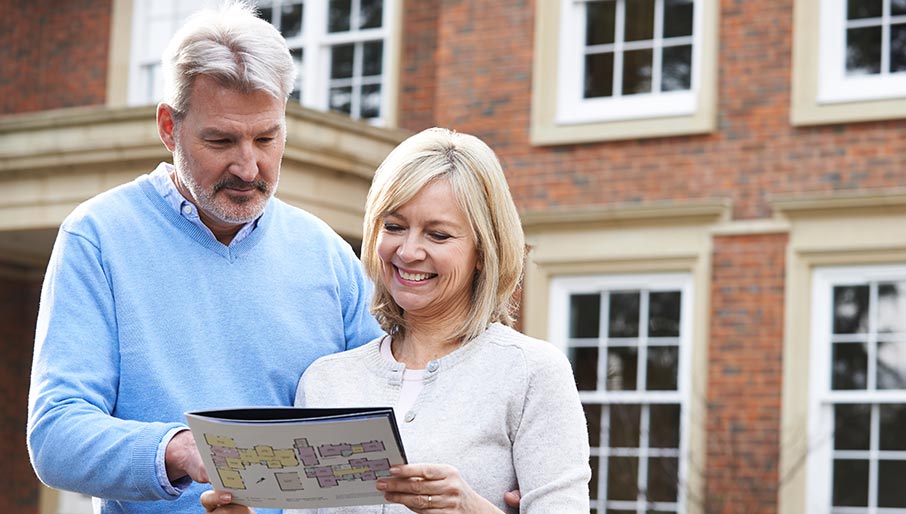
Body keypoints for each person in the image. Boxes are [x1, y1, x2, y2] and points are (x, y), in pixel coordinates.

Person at [26, 3, 384, 514]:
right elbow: (56, 434)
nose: (248, 165)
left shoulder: (326, 254)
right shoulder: (98, 238)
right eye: (220, 140)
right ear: (169, 128)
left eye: (267, 138)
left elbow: (390, 415)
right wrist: (183, 451)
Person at [202, 127, 591, 514]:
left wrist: (470, 508)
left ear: (484, 251)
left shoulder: (530, 373)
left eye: (437, 235)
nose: (408, 251)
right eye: (394, 227)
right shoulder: (326, 381)